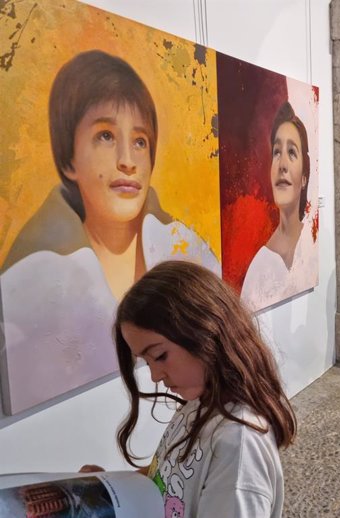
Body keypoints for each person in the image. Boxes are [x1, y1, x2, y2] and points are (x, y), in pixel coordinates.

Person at [0, 50, 219, 415]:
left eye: (139, 141)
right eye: (104, 136)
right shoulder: (26, 285)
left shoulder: (189, 252)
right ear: (69, 159)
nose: (127, 160)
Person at [81, 260, 296, 517]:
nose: (155, 375)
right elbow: (167, 480)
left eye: (160, 356)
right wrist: (107, 488)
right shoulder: (199, 403)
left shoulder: (238, 444)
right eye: (146, 362)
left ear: (205, 331)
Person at [241, 101, 317, 312]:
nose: (282, 164)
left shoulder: (311, 242)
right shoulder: (258, 268)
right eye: (276, 152)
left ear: (304, 178)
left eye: (292, 152)